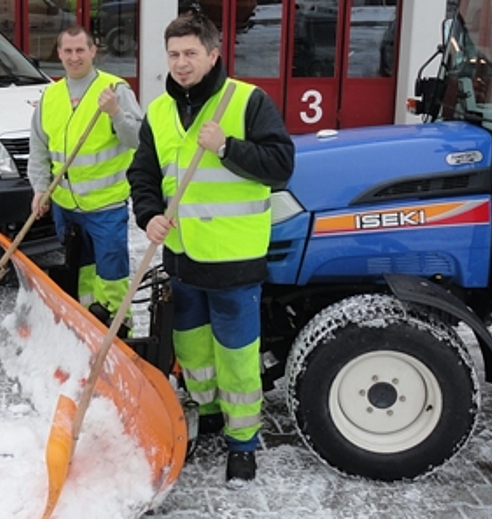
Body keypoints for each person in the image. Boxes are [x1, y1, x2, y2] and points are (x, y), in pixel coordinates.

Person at [126, 10, 294, 488]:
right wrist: (149, 214)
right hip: (181, 259)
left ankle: (243, 442)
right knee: (193, 351)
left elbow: (281, 167)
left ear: (214, 54)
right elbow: (143, 175)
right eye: (174, 55)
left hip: (233, 262)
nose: (181, 64)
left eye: (191, 54)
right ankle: (210, 414)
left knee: (238, 356)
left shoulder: (247, 102)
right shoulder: (158, 111)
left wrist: (227, 147)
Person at [28, 24, 143, 337]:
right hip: (65, 206)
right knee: (82, 271)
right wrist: (40, 188)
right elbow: (39, 147)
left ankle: (121, 334)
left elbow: (138, 140)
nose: (74, 57)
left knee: (112, 274)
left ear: (94, 51)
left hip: (106, 207)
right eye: (68, 51)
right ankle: (90, 329)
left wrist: (116, 113)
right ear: (59, 53)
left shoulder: (114, 90)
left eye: (81, 50)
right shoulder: (50, 95)